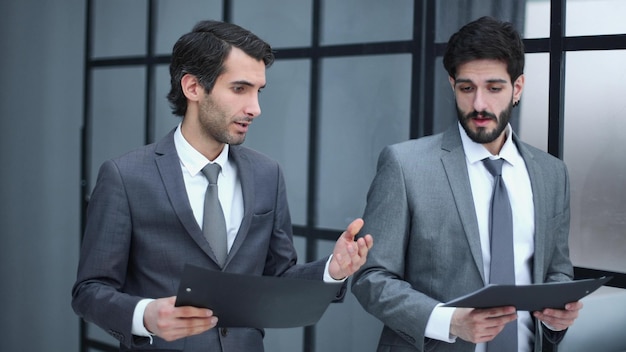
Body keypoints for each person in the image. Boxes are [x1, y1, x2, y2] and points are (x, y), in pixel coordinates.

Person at [72, 20, 373, 352]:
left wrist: (332, 269)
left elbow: (277, 278)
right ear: (193, 88)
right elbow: (89, 291)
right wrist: (145, 315)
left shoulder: (267, 174)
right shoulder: (124, 176)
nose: (255, 109)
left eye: (259, 91)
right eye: (240, 89)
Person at [351, 16, 581, 352]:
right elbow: (371, 278)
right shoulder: (405, 165)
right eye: (466, 88)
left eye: (494, 88)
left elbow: (557, 271)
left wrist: (557, 314)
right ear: (452, 85)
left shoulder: (551, 173)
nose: (479, 105)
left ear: (517, 88)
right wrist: (449, 321)